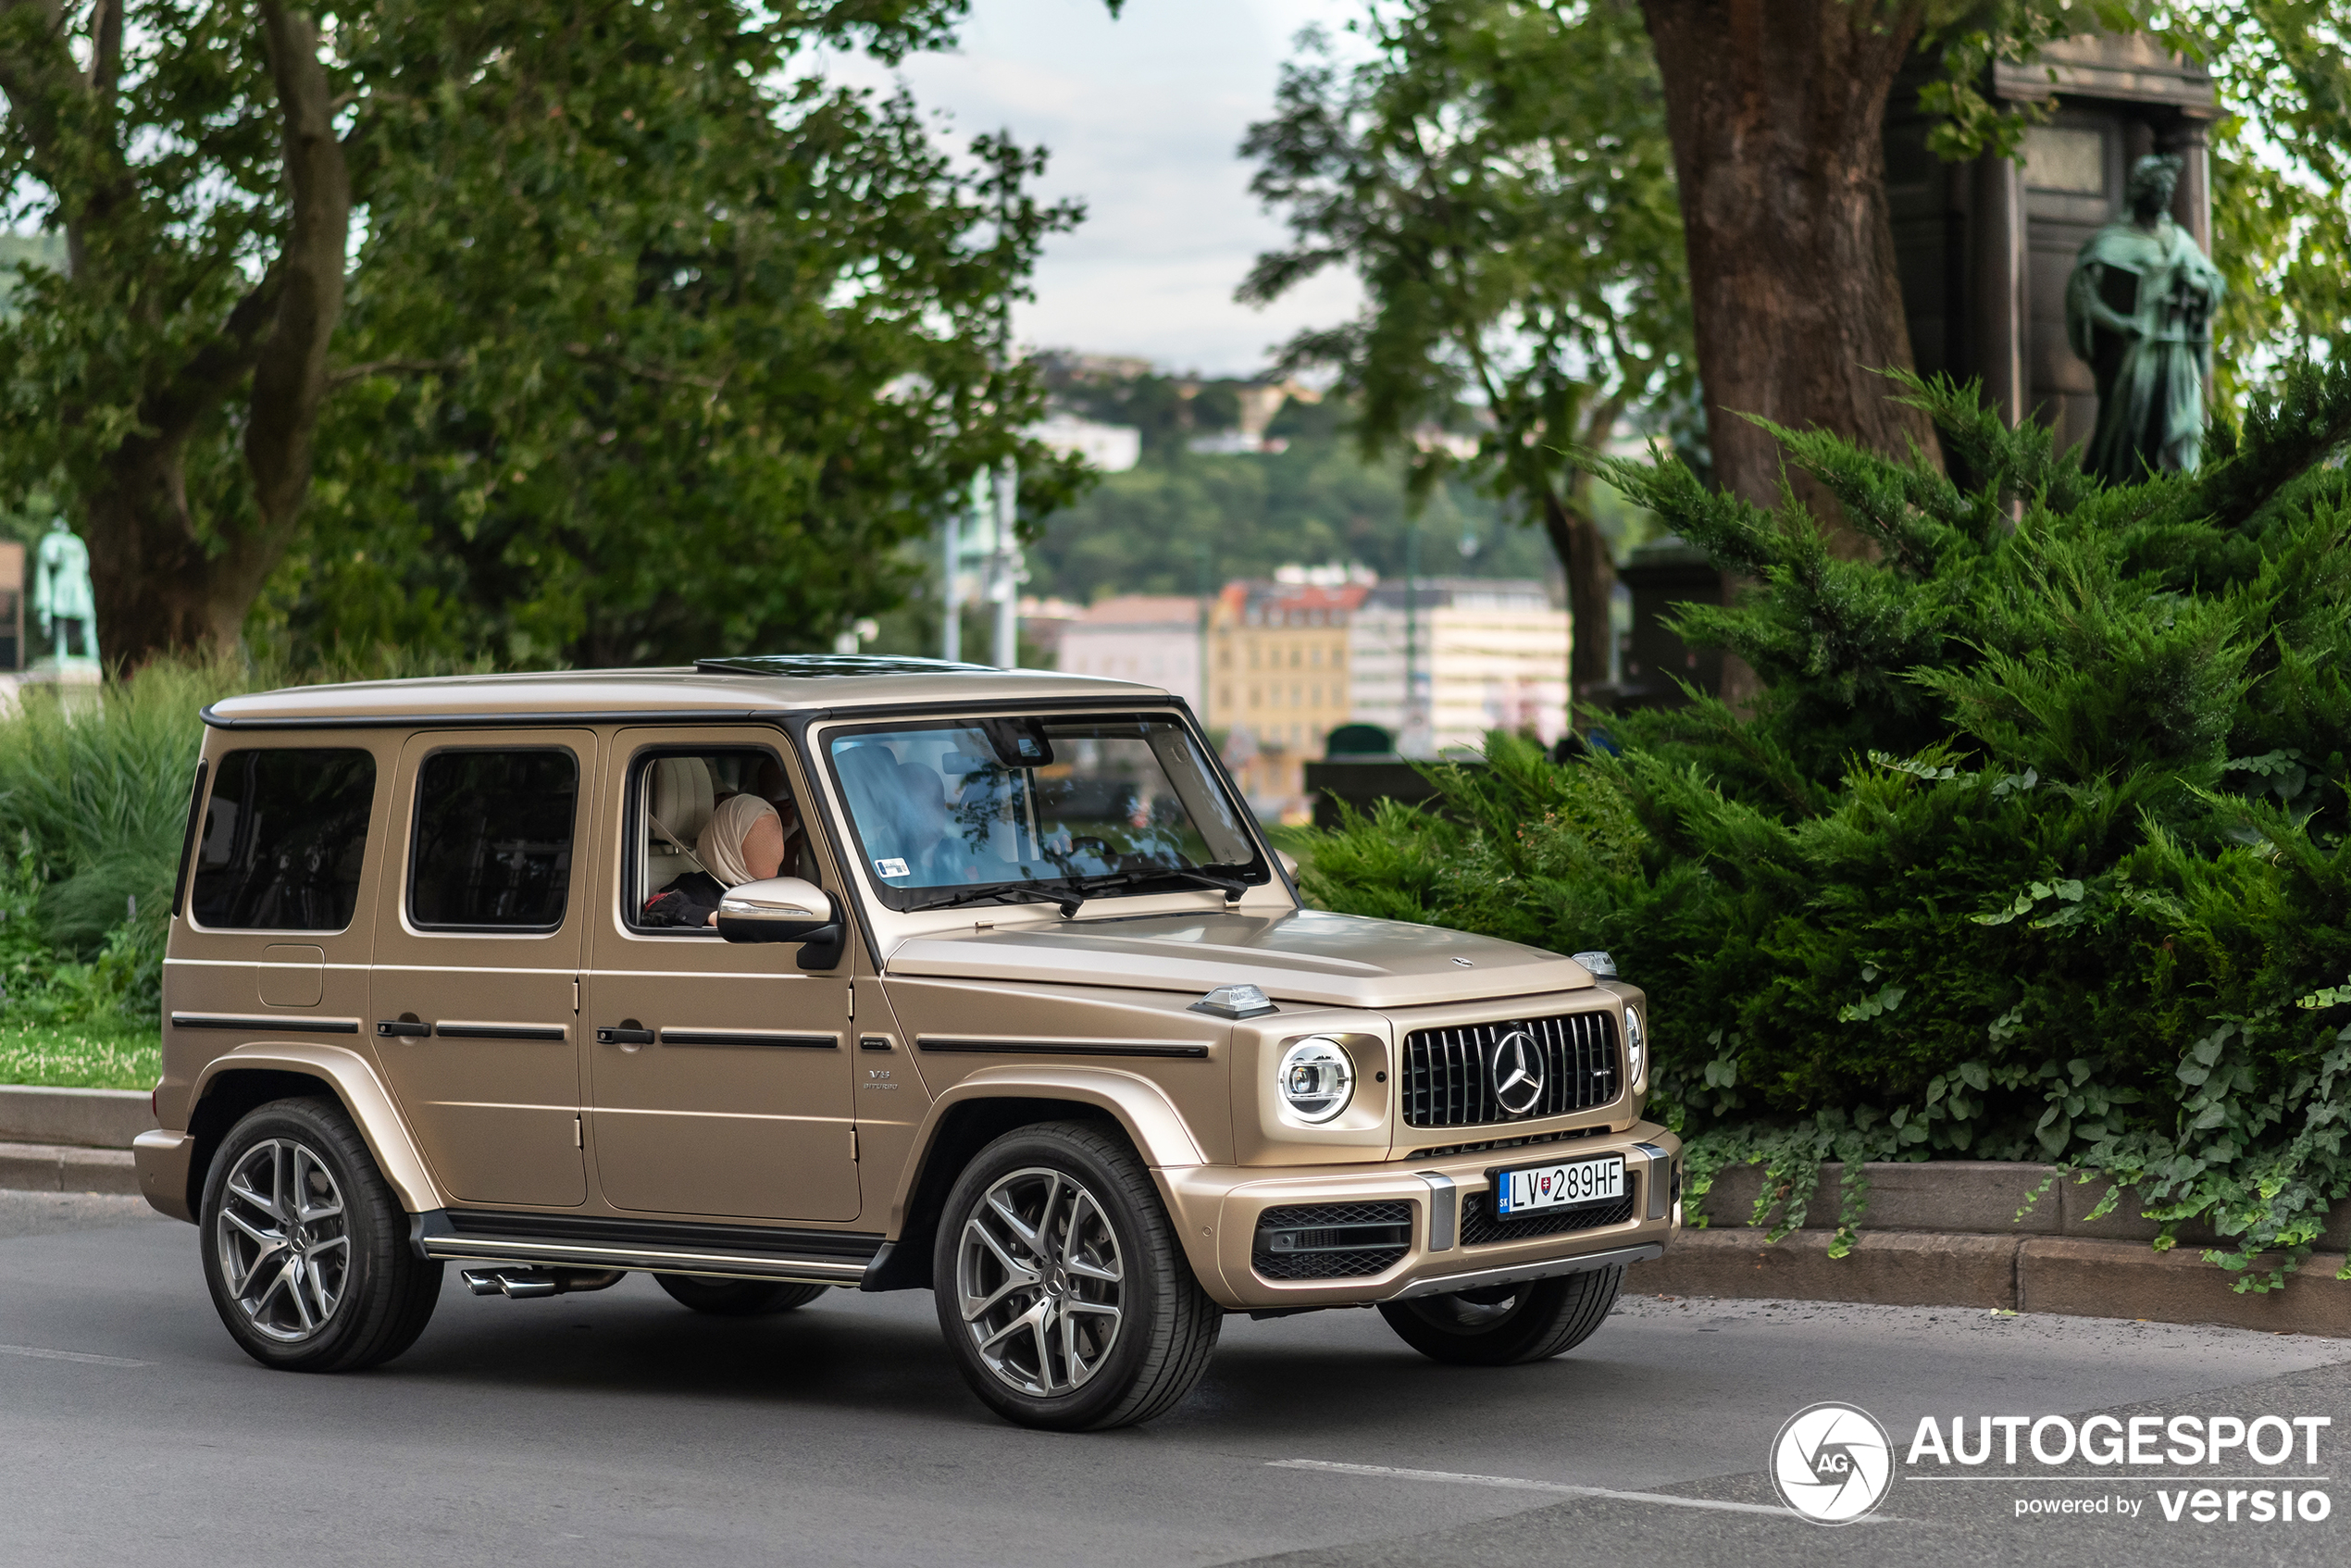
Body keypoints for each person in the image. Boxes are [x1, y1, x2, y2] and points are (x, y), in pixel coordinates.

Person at [642, 792, 785, 927]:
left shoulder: (779, 887)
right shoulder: (697, 887)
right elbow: (656, 905)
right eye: (758, 839)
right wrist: (711, 917)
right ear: (727, 842)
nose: (769, 848)